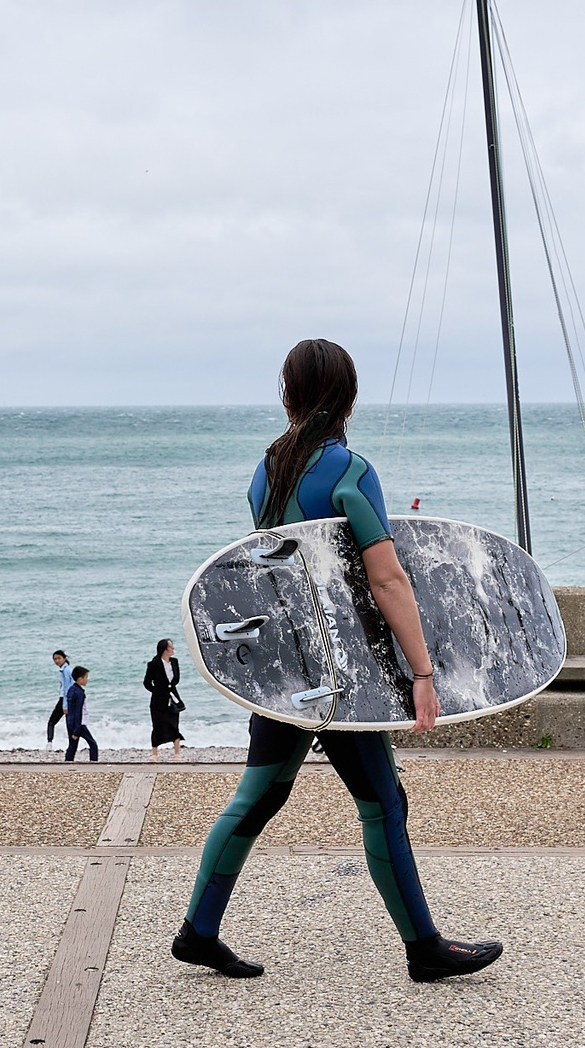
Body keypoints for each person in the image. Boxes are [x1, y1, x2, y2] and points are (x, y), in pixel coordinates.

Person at [172, 338, 502, 984]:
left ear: (288, 393)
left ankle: (198, 930)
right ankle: (425, 948)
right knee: (383, 801)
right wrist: (423, 674)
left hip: (285, 671)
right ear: (348, 395)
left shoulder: (267, 470)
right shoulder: (349, 469)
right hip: (340, 674)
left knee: (257, 797)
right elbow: (387, 579)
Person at [143, 637, 187, 761]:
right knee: (157, 724)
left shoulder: (174, 662)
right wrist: (157, 692)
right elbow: (147, 683)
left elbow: (176, 680)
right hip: (158, 699)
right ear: (164, 649)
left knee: (174, 723)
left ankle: (177, 753)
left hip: (173, 697)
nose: (173, 649)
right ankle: (155, 753)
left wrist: (169, 690)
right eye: (171, 647)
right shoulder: (154, 664)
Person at [61, 664, 99, 763]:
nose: (87, 679)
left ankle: (67, 762)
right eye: (86, 677)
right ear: (80, 679)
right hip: (78, 724)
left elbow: (71, 710)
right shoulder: (79, 693)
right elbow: (78, 711)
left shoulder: (72, 690)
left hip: (71, 722)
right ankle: (94, 763)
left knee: (73, 745)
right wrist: (76, 730)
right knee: (93, 744)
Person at [45, 649, 72, 742]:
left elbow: (67, 689)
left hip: (65, 700)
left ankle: (49, 743)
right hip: (69, 699)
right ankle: (72, 744)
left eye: (59, 658)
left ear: (64, 658)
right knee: (70, 723)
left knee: (51, 722)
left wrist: (65, 705)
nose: (57, 661)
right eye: (55, 659)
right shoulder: (65, 670)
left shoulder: (66, 671)